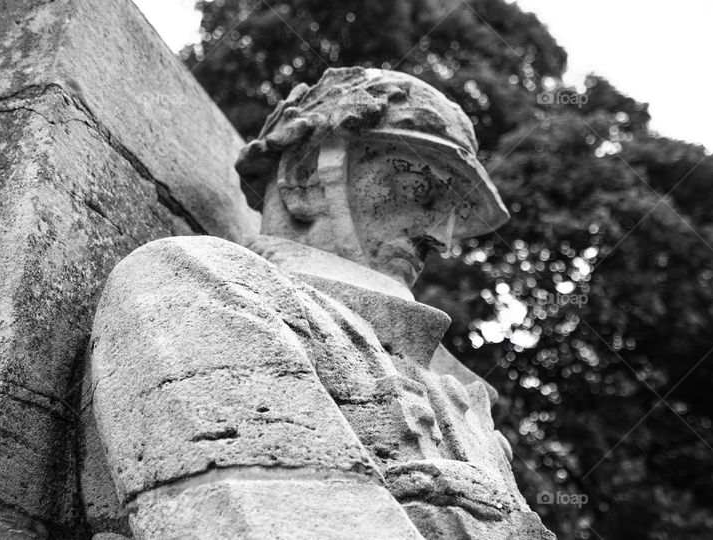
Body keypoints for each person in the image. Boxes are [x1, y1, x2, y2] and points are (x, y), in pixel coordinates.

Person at [88, 67, 553, 539]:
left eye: (457, 212)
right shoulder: (196, 283)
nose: (443, 238)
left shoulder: (463, 397)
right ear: (306, 176)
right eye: (423, 187)